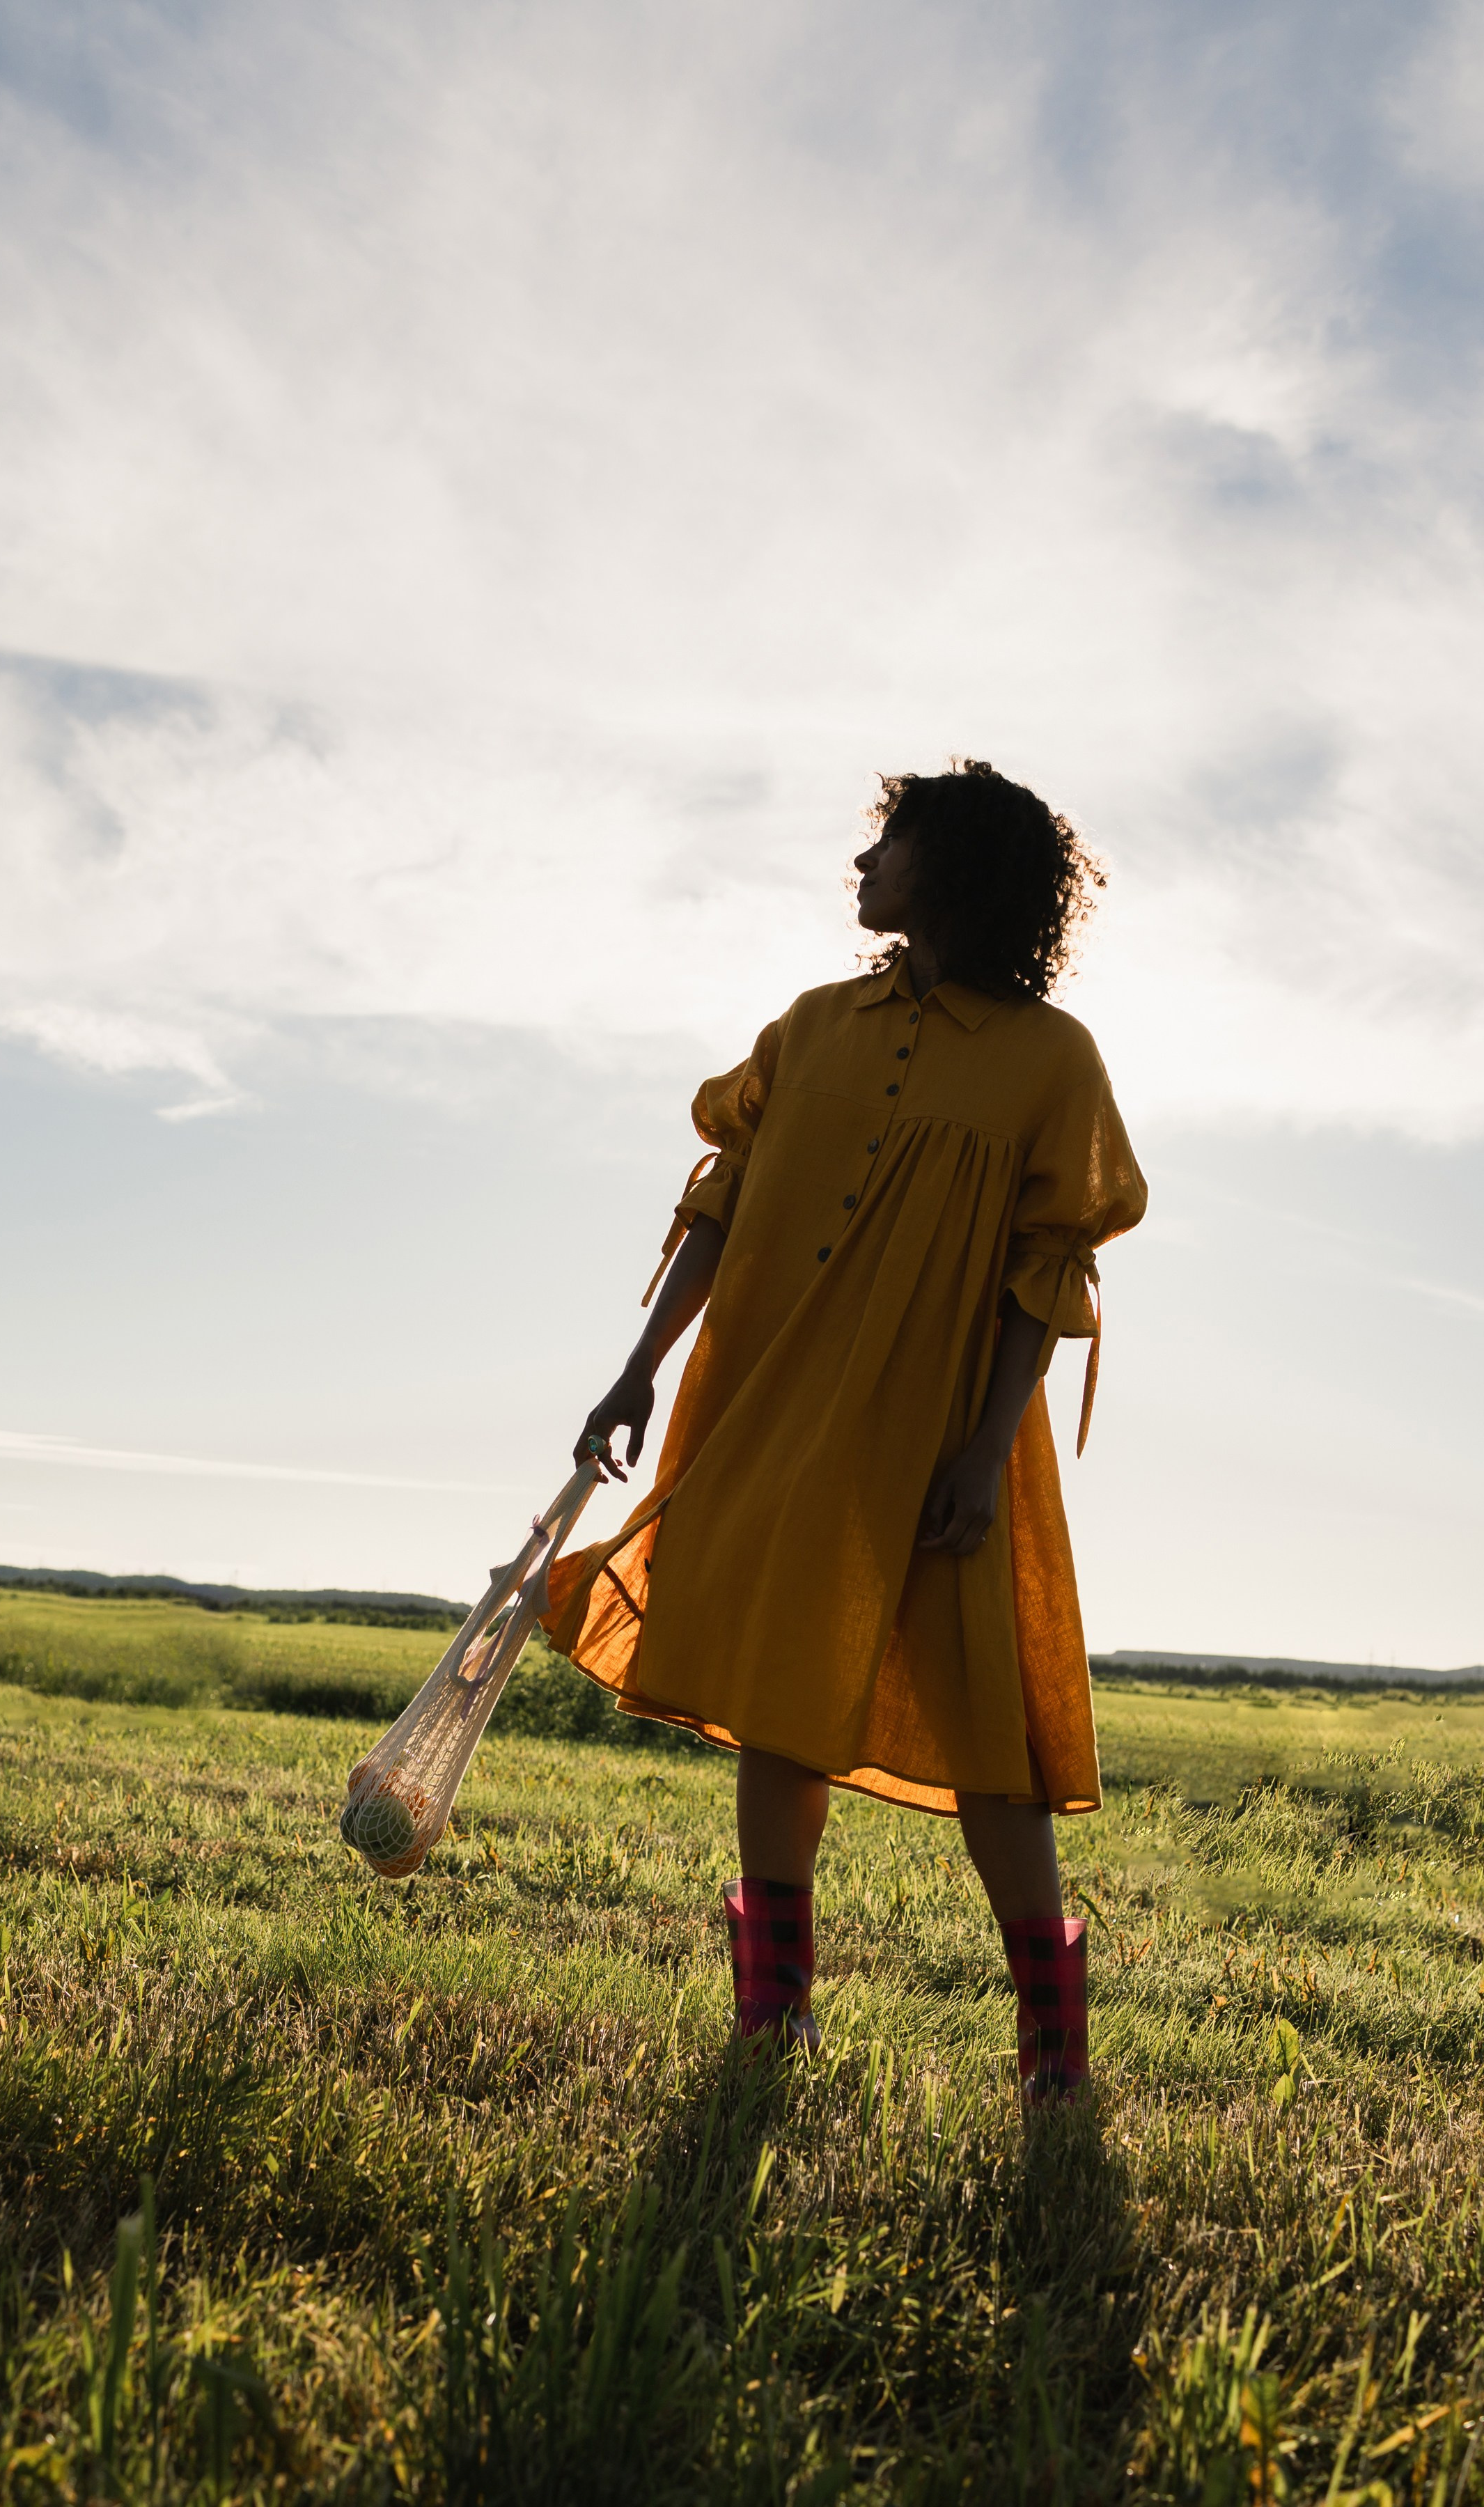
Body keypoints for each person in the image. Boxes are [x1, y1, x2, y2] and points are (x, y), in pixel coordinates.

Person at [541, 762, 1146, 2102]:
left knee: (991, 1730)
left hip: (941, 1437)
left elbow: (1049, 1272)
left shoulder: (1052, 1062)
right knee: (779, 1696)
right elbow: (721, 1211)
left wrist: (985, 1451)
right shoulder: (813, 1027)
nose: (864, 865)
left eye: (891, 843)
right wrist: (637, 1371)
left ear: (956, 871)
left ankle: (1054, 2055)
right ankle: (776, 2018)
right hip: (774, 1411)